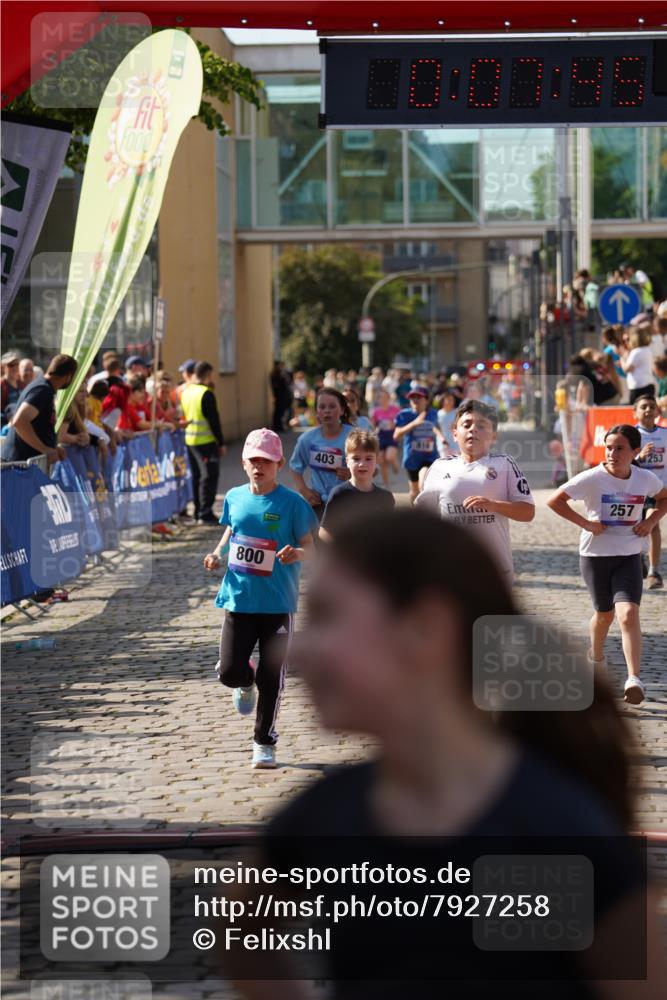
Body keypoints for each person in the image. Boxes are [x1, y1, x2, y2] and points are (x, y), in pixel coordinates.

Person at [240, 509, 664, 998]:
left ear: (425, 629)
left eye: (328, 617)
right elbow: (246, 933)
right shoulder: (322, 815)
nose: (289, 653)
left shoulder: (561, 829)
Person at [203, 428, 317, 769]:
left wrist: (298, 553)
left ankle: (264, 742)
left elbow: (312, 549)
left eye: (266, 461)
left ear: (279, 464)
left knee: (273, 676)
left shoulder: (292, 503)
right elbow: (232, 528)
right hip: (238, 600)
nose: (259, 466)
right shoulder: (235, 497)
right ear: (243, 462)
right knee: (229, 672)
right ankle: (244, 682)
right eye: (253, 460)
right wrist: (216, 553)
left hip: (278, 604)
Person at [547, 424, 667, 705]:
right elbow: (556, 500)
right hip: (595, 557)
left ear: (635, 451)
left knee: (628, 614)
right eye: (609, 447)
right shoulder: (591, 478)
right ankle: (596, 657)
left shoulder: (645, 479)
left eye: (620, 448)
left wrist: (649, 521)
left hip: (628, 555)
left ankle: (634, 679)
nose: (612, 453)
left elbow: (664, 498)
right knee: (604, 615)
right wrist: (586, 523)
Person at [416, 400, 535, 587]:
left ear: (493, 435)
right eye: (467, 425)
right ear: (455, 433)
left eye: (481, 425)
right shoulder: (439, 467)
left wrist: (495, 505)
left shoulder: (505, 464)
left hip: (495, 569)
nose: (473, 430)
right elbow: (424, 521)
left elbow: (528, 512)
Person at [319, 429, 395, 542]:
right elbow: (324, 531)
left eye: (368, 458)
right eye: (356, 458)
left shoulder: (386, 497)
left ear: (377, 461)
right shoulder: (339, 494)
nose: (362, 464)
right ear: (347, 461)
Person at [289, 388, 353, 519]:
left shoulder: (354, 436)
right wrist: (304, 491)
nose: (327, 411)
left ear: (342, 410)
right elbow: (295, 468)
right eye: (322, 407)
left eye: (332, 406)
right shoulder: (306, 439)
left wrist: (353, 473)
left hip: (349, 501)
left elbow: (374, 469)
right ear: (317, 412)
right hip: (319, 504)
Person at [2, 354, 77, 464]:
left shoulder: (45, 388)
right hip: (19, 466)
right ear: (68, 376)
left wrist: (52, 447)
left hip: (24, 465)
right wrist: (45, 449)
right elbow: (19, 422)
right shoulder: (42, 390)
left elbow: (38, 425)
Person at [181, 361, 226, 525]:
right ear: (207, 375)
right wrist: (221, 442)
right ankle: (205, 512)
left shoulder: (186, 391)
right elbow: (214, 421)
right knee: (210, 476)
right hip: (205, 441)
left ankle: (198, 510)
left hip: (190, 440)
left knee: (197, 476)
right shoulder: (206, 393)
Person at [634, 394, 667, 589]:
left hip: (658, 490)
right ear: (635, 412)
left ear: (657, 411)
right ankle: (637, 559)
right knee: (635, 526)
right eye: (643, 407)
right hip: (635, 488)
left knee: (653, 524)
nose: (648, 410)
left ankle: (654, 571)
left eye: (651, 407)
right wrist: (639, 456)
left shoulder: (665, 434)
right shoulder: (630, 435)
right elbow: (622, 461)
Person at [393, 387, 443, 502]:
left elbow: (438, 429)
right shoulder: (404, 414)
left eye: (418, 397)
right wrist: (414, 424)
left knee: (424, 484)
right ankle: (414, 514)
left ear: (426, 399)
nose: (415, 400)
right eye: (412, 397)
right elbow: (396, 436)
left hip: (430, 457)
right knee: (414, 492)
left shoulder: (434, 413)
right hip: (412, 457)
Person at [371, 388, 400, 486]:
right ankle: (386, 483)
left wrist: (394, 425)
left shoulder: (395, 409)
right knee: (382, 461)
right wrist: (375, 430)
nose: (382, 399)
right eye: (380, 397)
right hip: (381, 436)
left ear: (388, 398)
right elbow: (373, 425)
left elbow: (401, 423)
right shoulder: (375, 411)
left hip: (392, 436)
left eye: (384, 397)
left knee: (389, 457)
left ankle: (395, 463)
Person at [620, 327, 656, 403]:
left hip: (638, 386)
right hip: (648, 384)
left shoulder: (636, 352)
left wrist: (622, 360)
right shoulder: (647, 349)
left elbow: (627, 369)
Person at [1, 351, 23, 427]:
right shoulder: (1, 384)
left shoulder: (21, 383)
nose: (14, 367)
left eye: (16, 364)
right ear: (3, 366)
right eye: (11, 365)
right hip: (7, 425)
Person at [270, 360, 293, 433]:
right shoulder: (276, 374)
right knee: (279, 412)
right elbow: (277, 386)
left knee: (281, 412)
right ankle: (278, 427)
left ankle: (279, 426)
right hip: (280, 396)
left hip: (282, 396)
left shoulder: (281, 373)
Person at [436, 390, 459, 456]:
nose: (451, 401)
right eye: (448, 399)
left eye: (452, 399)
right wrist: (441, 438)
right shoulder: (438, 414)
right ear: (443, 401)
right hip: (443, 444)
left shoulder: (457, 412)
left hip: (455, 444)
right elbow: (437, 428)